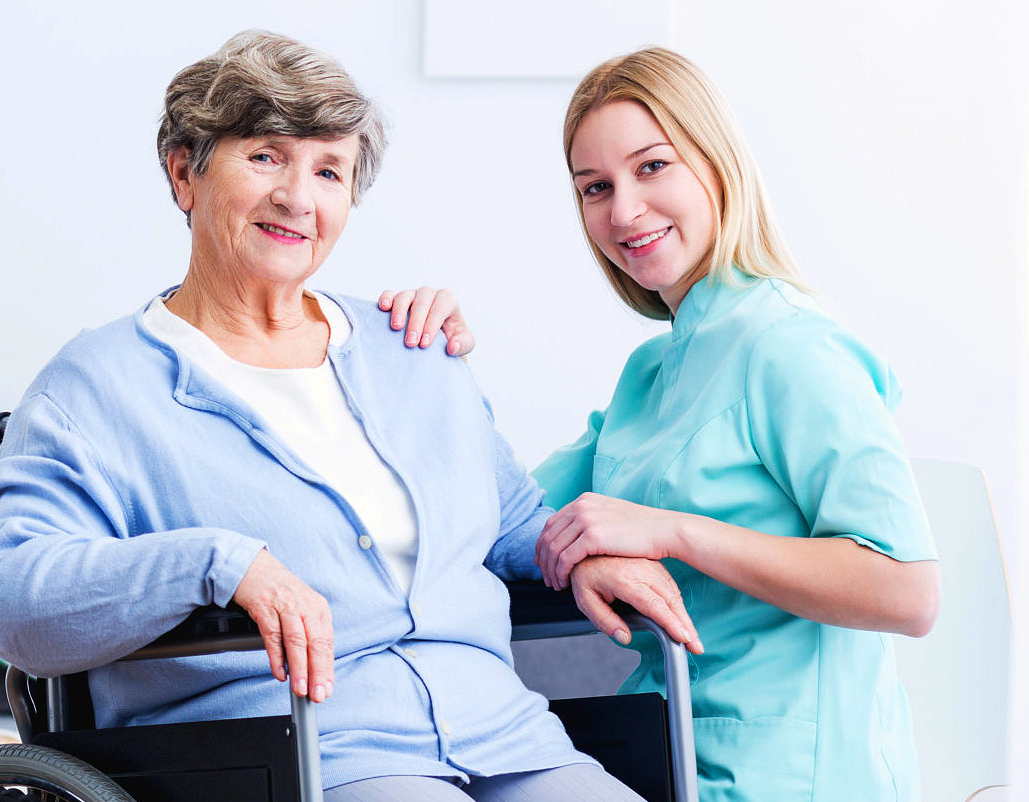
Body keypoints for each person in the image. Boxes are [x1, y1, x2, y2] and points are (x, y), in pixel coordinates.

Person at [0, 31, 670, 802]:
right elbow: (11, 597)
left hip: (505, 736)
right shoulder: (98, 387)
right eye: (266, 155)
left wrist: (574, 552)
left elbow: (504, 522)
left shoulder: (411, 348)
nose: (298, 197)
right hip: (297, 757)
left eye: (329, 170)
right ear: (184, 174)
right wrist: (217, 564)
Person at [381, 47, 939, 801]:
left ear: (714, 162)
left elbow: (906, 592)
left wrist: (675, 533)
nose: (623, 211)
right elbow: (501, 517)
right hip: (660, 754)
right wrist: (422, 360)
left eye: (651, 167)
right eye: (595, 187)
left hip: (793, 774)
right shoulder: (651, 373)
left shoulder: (791, 346)